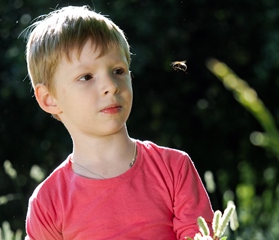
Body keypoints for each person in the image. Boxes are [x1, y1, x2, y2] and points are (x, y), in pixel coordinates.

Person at [24, 5, 213, 240]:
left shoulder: (174, 169)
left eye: (118, 71)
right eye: (86, 77)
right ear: (49, 99)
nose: (111, 86)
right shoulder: (47, 202)